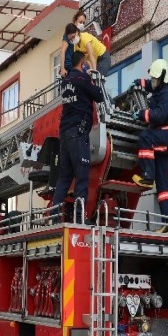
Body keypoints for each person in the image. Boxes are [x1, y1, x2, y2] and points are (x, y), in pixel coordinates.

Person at [52, 51, 104, 222]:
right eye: (86, 63)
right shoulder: (83, 80)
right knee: (82, 175)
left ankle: (53, 216)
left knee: (65, 177)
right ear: (83, 63)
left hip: (64, 133)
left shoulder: (65, 82)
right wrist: (90, 77)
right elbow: (99, 96)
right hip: (78, 132)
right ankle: (80, 219)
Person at [130, 59, 168, 223]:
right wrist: (141, 83)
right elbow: (152, 85)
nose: (152, 81)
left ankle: (147, 176)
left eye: (155, 78)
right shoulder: (162, 87)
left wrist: (141, 114)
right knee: (162, 185)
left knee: (146, 137)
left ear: (163, 77)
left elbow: (159, 115)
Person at [60, 11, 89, 78]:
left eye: (83, 23)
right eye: (80, 22)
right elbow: (62, 51)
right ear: (75, 21)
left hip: (77, 66)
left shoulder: (81, 36)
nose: (82, 24)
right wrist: (62, 68)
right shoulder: (69, 34)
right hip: (68, 67)